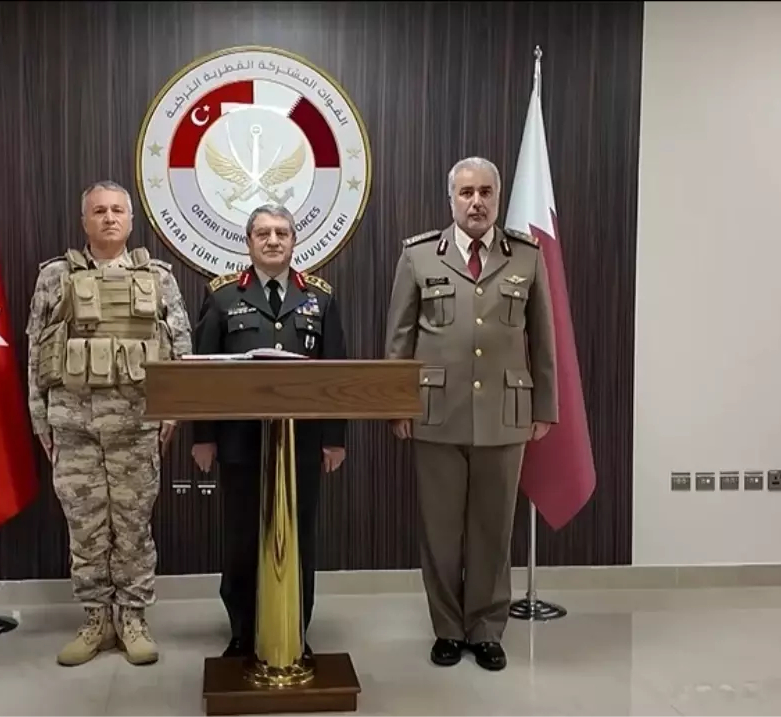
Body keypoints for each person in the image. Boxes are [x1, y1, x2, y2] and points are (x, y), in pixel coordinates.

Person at [382, 157, 558, 672]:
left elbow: (543, 339)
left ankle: (485, 629)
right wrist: (397, 405)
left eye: (485, 192)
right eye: (466, 193)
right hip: (435, 414)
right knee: (440, 531)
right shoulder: (419, 256)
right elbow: (399, 339)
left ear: (497, 198)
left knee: (492, 530)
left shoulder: (526, 257)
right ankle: (447, 628)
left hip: (505, 414)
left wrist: (544, 407)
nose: (476, 202)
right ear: (451, 199)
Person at [25, 180, 193, 667]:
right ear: (85, 221)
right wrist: (41, 420)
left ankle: (132, 618)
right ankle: (96, 618)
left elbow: (180, 350)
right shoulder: (55, 277)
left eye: (118, 210)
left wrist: (171, 414)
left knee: (134, 527)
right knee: (85, 528)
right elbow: (36, 351)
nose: (109, 218)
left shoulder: (158, 277)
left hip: (137, 426)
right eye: (99, 211)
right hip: (73, 427)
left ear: (131, 220)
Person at [189, 203, 348, 659]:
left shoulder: (320, 297)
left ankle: (295, 630)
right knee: (242, 537)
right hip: (240, 441)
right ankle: (242, 630)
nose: (273, 240)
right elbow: (202, 374)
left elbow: (336, 372)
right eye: (263, 233)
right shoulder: (222, 296)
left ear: (295, 240)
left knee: (300, 537)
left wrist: (334, 438)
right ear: (249, 242)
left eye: (282, 232)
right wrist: (204, 436)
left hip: (302, 443)